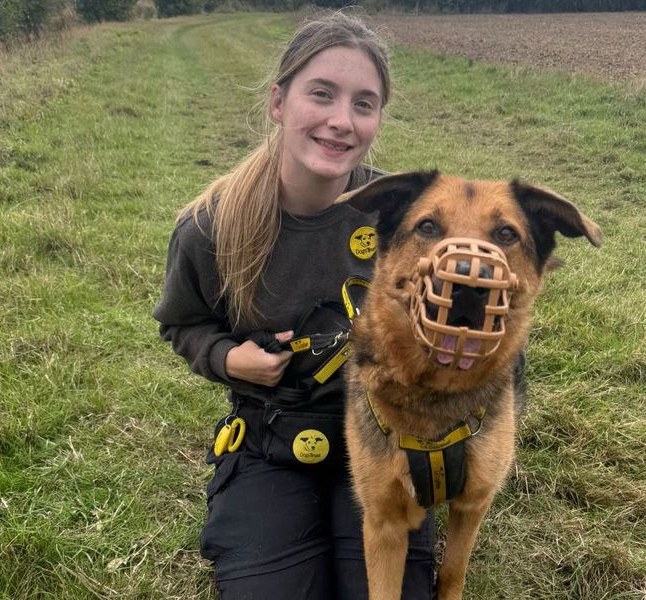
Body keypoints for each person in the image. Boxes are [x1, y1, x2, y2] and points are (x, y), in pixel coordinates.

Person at [153, 12, 436, 600]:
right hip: (270, 440)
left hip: (386, 437)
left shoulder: (406, 220)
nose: (341, 121)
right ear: (279, 102)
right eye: (322, 94)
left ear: (378, 118)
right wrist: (230, 360)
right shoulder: (209, 228)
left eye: (364, 103)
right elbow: (184, 323)